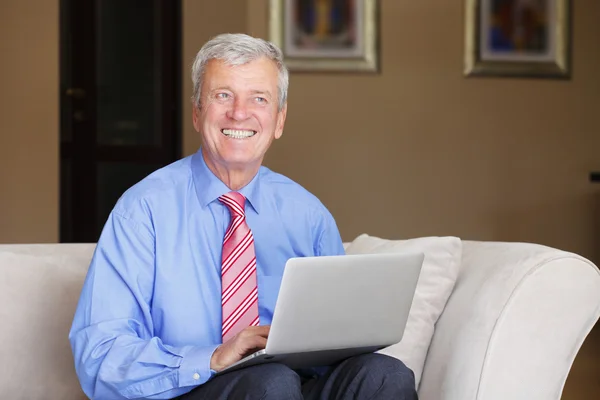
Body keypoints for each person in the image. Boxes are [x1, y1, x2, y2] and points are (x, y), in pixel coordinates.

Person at [69, 33, 417, 399]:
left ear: (279, 120)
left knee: (383, 374)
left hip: (287, 388)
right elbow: (100, 356)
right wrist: (213, 358)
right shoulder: (143, 211)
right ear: (197, 112)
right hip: (185, 390)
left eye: (259, 98)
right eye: (223, 95)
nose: (239, 112)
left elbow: (334, 345)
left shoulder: (307, 215)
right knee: (270, 382)